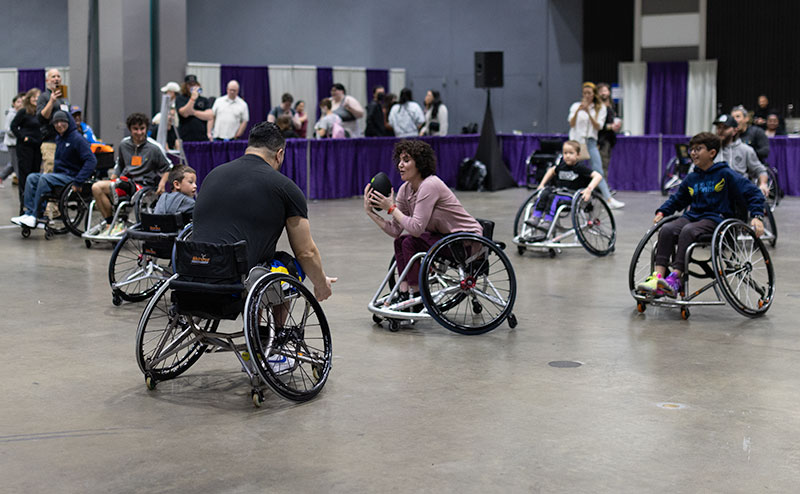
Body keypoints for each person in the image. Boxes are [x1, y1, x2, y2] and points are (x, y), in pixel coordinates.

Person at [192, 121, 336, 302]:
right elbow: (306, 252)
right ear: (280, 154)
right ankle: (276, 330)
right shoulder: (285, 187)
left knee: (255, 262)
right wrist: (321, 284)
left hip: (194, 270)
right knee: (286, 265)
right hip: (234, 281)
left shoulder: (213, 174)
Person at [636, 132, 765, 297]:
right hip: (693, 217)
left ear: (712, 153)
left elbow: (753, 193)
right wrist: (663, 211)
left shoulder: (725, 174)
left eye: (698, 149)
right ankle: (657, 276)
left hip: (717, 219)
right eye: (692, 149)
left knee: (688, 230)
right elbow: (678, 199)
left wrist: (757, 216)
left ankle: (676, 277)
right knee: (667, 229)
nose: (693, 153)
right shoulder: (692, 178)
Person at [363, 139, 482, 300]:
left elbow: (416, 228)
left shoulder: (430, 185)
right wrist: (371, 212)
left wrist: (391, 208)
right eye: (399, 160)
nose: (400, 165)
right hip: (445, 238)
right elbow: (395, 230)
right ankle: (404, 292)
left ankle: (417, 294)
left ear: (419, 164)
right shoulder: (406, 189)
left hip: (464, 242)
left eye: (406, 160)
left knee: (410, 242)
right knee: (400, 241)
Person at [11, 111, 96, 228]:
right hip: (60, 176)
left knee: (45, 178)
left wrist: (79, 180)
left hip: (72, 177)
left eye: (62, 122)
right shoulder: (60, 138)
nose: (59, 125)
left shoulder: (77, 139)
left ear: (68, 122)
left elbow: (92, 161)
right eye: (56, 122)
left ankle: (37, 215)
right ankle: (29, 213)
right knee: (32, 177)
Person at [90, 112, 171, 236]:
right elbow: (120, 165)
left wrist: (162, 184)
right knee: (96, 187)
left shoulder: (154, 147)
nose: (139, 132)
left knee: (116, 188)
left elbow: (168, 167)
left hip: (143, 185)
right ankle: (110, 223)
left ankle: (115, 221)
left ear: (146, 128)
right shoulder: (124, 144)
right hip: (124, 180)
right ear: (130, 129)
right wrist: (113, 177)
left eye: (142, 128)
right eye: (135, 129)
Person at [523, 140, 603, 240]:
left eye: (571, 153)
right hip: (560, 192)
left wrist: (588, 189)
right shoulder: (561, 166)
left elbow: (598, 176)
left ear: (578, 155)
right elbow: (551, 170)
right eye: (565, 153)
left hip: (572, 196)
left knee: (553, 197)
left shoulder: (580, 167)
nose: (567, 156)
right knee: (545, 192)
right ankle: (536, 216)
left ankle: (548, 221)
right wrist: (542, 184)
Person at [568, 82, 624, 209]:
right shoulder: (575, 106)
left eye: (589, 93)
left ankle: (608, 199)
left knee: (598, 171)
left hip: (591, 142)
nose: (587, 96)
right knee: (572, 169)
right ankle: (572, 196)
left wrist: (588, 112)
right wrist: (578, 111)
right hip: (576, 142)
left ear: (594, 94)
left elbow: (598, 126)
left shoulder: (600, 108)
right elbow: (571, 123)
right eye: (584, 93)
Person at [713, 114, 769, 197]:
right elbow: (694, 170)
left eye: (725, 128)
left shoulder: (745, 150)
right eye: (719, 128)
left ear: (735, 131)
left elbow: (760, 170)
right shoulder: (711, 149)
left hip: (738, 192)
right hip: (714, 191)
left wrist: (763, 184)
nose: (721, 131)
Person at [10, 88, 42, 214]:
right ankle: (23, 207)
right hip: (25, 147)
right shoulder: (23, 111)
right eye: (33, 97)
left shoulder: (40, 112)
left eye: (38, 97)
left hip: (37, 146)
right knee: (25, 176)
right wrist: (23, 137)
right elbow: (13, 126)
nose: (36, 99)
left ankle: (34, 205)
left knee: (35, 175)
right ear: (29, 99)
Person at [36, 68, 69, 174]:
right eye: (53, 77)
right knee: (50, 171)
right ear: (47, 81)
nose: (56, 79)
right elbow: (42, 117)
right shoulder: (44, 97)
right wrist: (51, 101)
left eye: (58, 76)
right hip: (50, 141)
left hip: (63, 141)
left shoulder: (63, 99)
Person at [175, 74, 213, 142]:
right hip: (186, 138)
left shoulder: (203, 100)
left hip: (202, 138)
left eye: (194, 84)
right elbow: (184, 113)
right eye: (190, 85)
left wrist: (194, 112)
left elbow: (210, 116)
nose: (193, 87)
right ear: (185, 86)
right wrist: (192, 99)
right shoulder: (180, 98)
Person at [596, 82, 621, 180]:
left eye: (605, 91)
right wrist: (610, 127)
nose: (603, 93)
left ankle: (603, 185)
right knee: (601, 164)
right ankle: (601, 186)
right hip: (601, 139)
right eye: (601, 91)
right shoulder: (597, 107)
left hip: (610, 138)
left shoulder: (611, 105)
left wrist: (616, 124)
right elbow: (598, 125)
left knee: (606, 163)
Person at [1, 93, 24, 187]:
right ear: (13, 103)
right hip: (12, 143)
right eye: (18, 102)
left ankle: (1, 176)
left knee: (13, 163)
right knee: (16, 164)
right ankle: (21, 182)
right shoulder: (11, 114)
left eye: (22, 102)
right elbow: (8, 129)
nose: (20, 103)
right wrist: (19, 134)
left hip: (17, 143)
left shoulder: (20, 113)